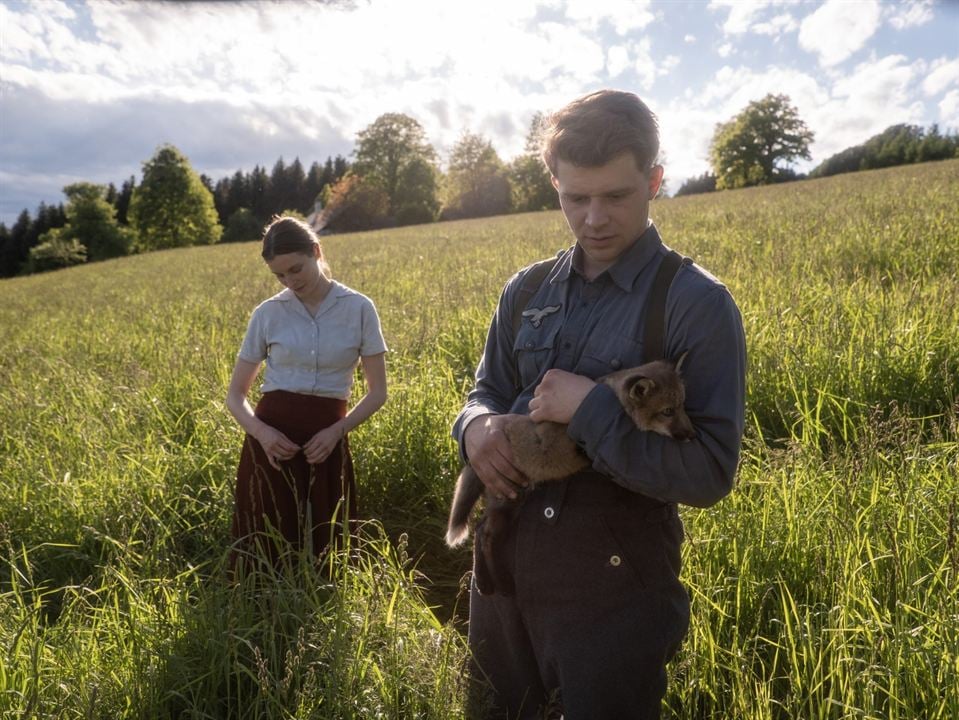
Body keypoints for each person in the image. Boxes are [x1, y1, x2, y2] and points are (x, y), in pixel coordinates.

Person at [452, 90, 746, 718]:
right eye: (574, 198)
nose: (594, 219)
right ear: (553, 183)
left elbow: (710, 472)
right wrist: (474, 428)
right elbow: (484, 391)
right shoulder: (525, 290)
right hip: (501, 582)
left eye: (616, 196)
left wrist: (590, 409)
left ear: (655, 181)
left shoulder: (695, 305)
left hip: (614, 602)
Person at [226, 216, 387, 571]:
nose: (289, 281)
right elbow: (235, 396)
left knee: (327, 552)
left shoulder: (359, 308)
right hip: (271, 445)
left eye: (295, 269)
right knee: (264, 552)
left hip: (325, 442)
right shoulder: (267, 314)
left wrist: (335, 433)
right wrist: (264, 435)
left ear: (316, 251)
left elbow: (378, 393)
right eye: (279, 275)